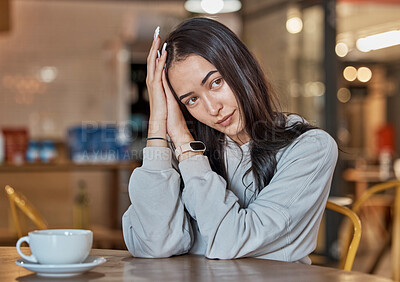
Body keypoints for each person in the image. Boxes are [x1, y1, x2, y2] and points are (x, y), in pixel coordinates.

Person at [122, 17, 338, 264]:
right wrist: (158, 120)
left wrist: (185, 145)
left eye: (216, 82)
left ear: (242, 68)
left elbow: (231, 241)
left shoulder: (310, 148)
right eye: (191, 100)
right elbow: (156, 244)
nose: (213, 108)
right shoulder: (185, 152)